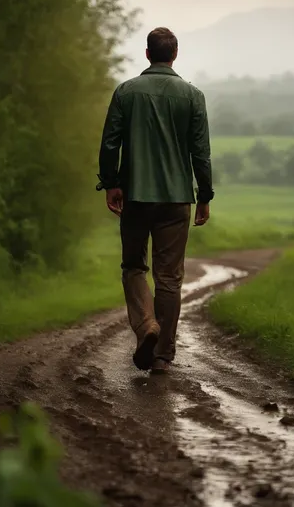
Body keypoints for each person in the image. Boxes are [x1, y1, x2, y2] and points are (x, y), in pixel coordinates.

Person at [98, 27, 214, 374]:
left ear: (147, 54)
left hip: (136, 196)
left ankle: (146, 324)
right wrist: (204, 196)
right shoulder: (193, 96)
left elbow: (109, 144)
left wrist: (111, 184)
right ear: (174, 55)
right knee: (169, 278)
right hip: (177, 200)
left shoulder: (126, 92)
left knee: (134, 267)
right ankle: (163, 355)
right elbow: (201, 153)